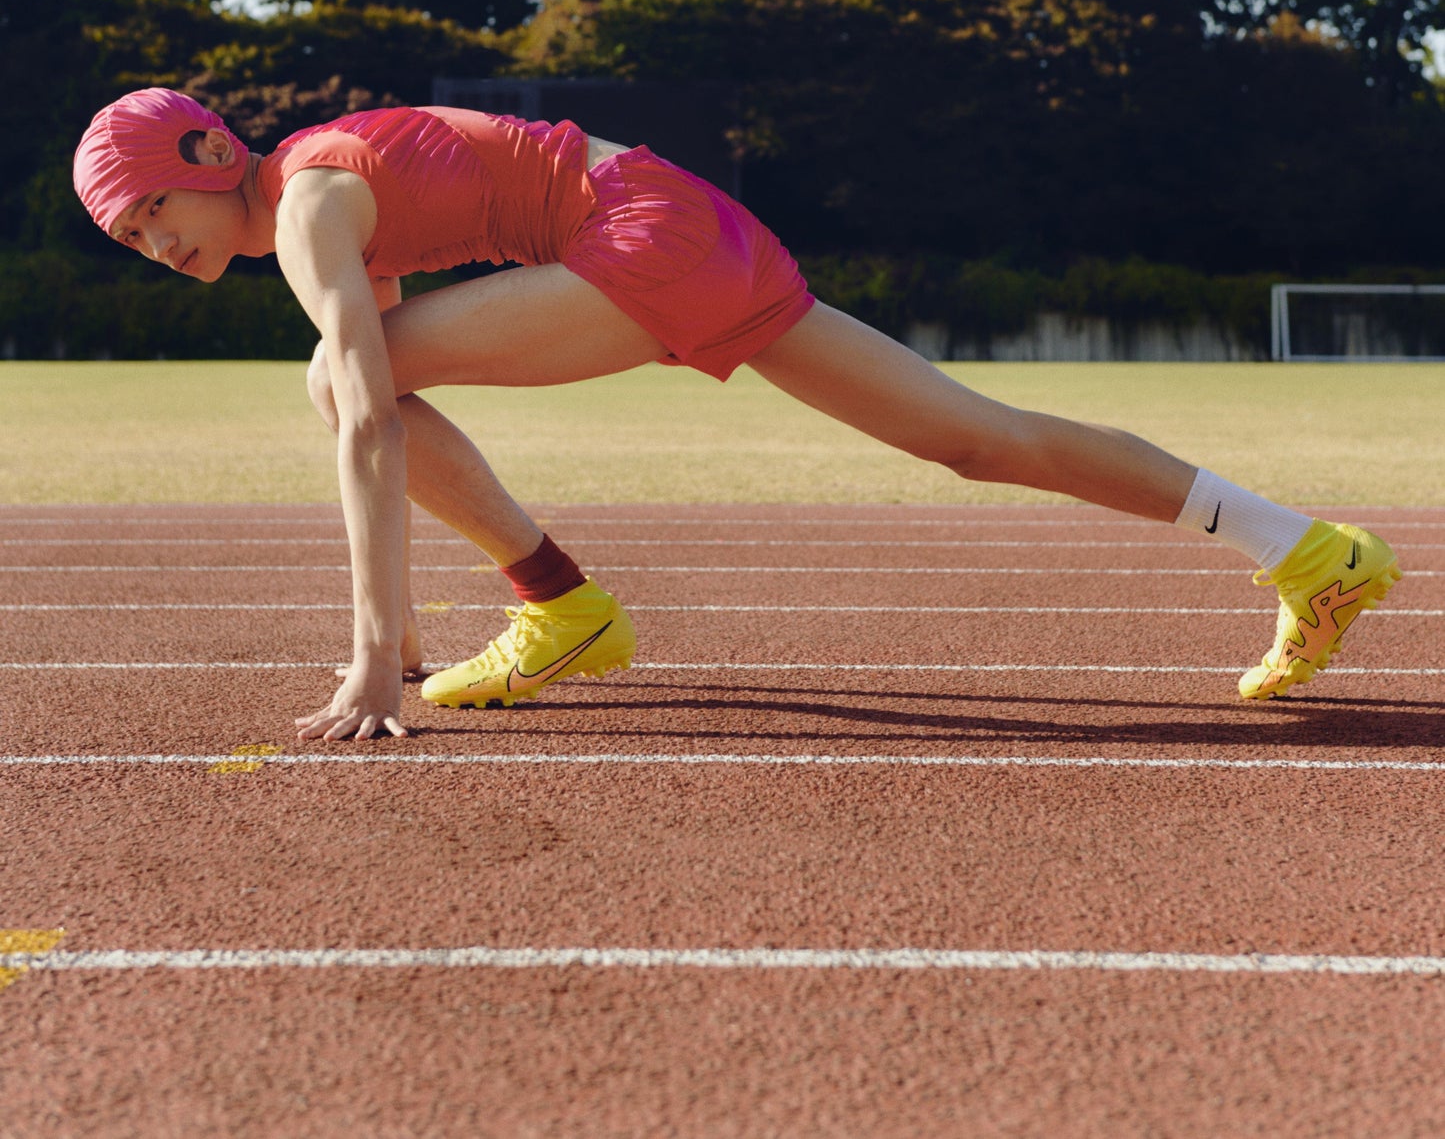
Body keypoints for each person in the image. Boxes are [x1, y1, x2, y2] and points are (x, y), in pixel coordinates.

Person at [73, 87, 1402, 741]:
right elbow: (397, 416)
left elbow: (366, 419)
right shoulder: (329, 206)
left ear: (204, 155)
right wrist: (408, 627)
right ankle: (1302, 547)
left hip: (641, 232)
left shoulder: (305, 205)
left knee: (332, 377)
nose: (153, 244)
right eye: (128, 239)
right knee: (972, 434)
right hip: (687, 215)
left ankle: (563, 605)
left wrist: (373, 660)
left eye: (151, 213)